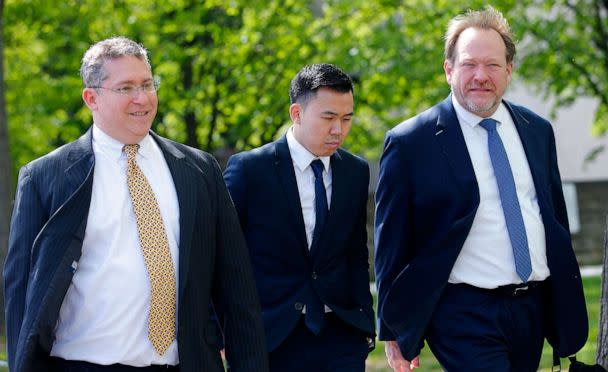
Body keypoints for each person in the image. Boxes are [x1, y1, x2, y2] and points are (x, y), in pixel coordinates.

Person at [4, 36, 268, 372]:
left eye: (147, 84)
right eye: (126, 88)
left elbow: (237, 291)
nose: (142, 98)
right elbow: (20, 297)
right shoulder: (45, 177)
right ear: (92, 98)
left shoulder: (199, 171)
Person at [374, 7, 588, 372]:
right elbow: (391, 240)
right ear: (448, 70)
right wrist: (392, 327)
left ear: (509, 70)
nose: (480, 76)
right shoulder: (411, 142)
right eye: (469, 64)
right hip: (462, 313)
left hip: (530, 308)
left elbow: (552, 216)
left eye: (492, 65)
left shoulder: (536, 130)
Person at [224, 63, 375, 372]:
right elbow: (220, 256)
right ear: (297, 113)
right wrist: (222, 331)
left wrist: (364, 323)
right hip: (271, 336)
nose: (339, 129)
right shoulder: (249, 170)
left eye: (347, 119)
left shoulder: (355, 171)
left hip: (341, 335)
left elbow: (356, 253)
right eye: (329, 117)